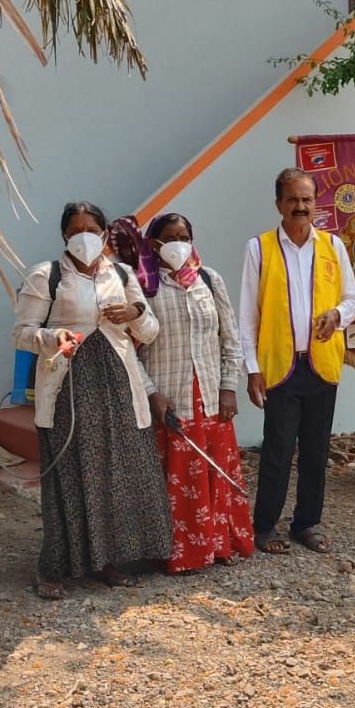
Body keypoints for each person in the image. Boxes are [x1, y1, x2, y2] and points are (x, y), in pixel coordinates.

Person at [13, 201, 172, 599]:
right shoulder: (46, 275)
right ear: (65, 235)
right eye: (75, 229)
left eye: (91, 228)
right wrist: (54, 337)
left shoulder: (121, 272)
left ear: (103, 234)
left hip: (119, 384)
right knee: (70, 470)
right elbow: (22, 332)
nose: (84, 236)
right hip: (69, 384)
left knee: (116, 471)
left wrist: (134, 310)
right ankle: (53, 568)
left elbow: (149, 331)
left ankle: (107, 562)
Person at [238, 168, 355, 553]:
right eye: (292, 200)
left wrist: (336, 315)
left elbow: (352, 300)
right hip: (279, 366)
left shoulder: (333, 247)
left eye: (307, 200)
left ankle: (307, 523)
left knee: (316, 448)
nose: (300, 207)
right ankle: (265, 526)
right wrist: (251, 368)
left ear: (315, 203)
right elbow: (247, 315)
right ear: (279, 204)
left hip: (321, 364)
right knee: (277, 448)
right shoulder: (259, 248)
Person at [138, 212, 255, 572]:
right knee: (175, 479)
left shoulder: (209, 279)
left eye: (184, 235)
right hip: (168, 398)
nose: (178, 243)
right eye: (170, 237)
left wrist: (228, 388)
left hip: (209, 396)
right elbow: (132, 350)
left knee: (214, 473)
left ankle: (218, 545)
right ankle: (176, 553)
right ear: (154, 245)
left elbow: (230, 340)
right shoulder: (142, 285)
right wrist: (151, 393)